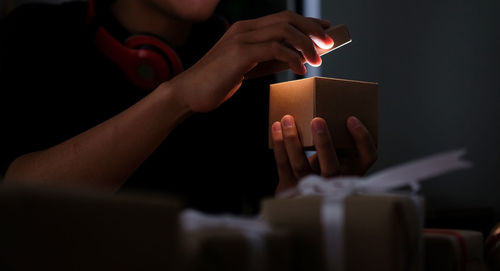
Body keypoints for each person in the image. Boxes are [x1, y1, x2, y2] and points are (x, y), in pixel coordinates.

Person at [0, 0, 377, 214]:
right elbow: (15, 203)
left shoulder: (245, 63)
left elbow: (257, 220)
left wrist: (299, 208)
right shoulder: (36, 36)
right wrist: (178, 97)